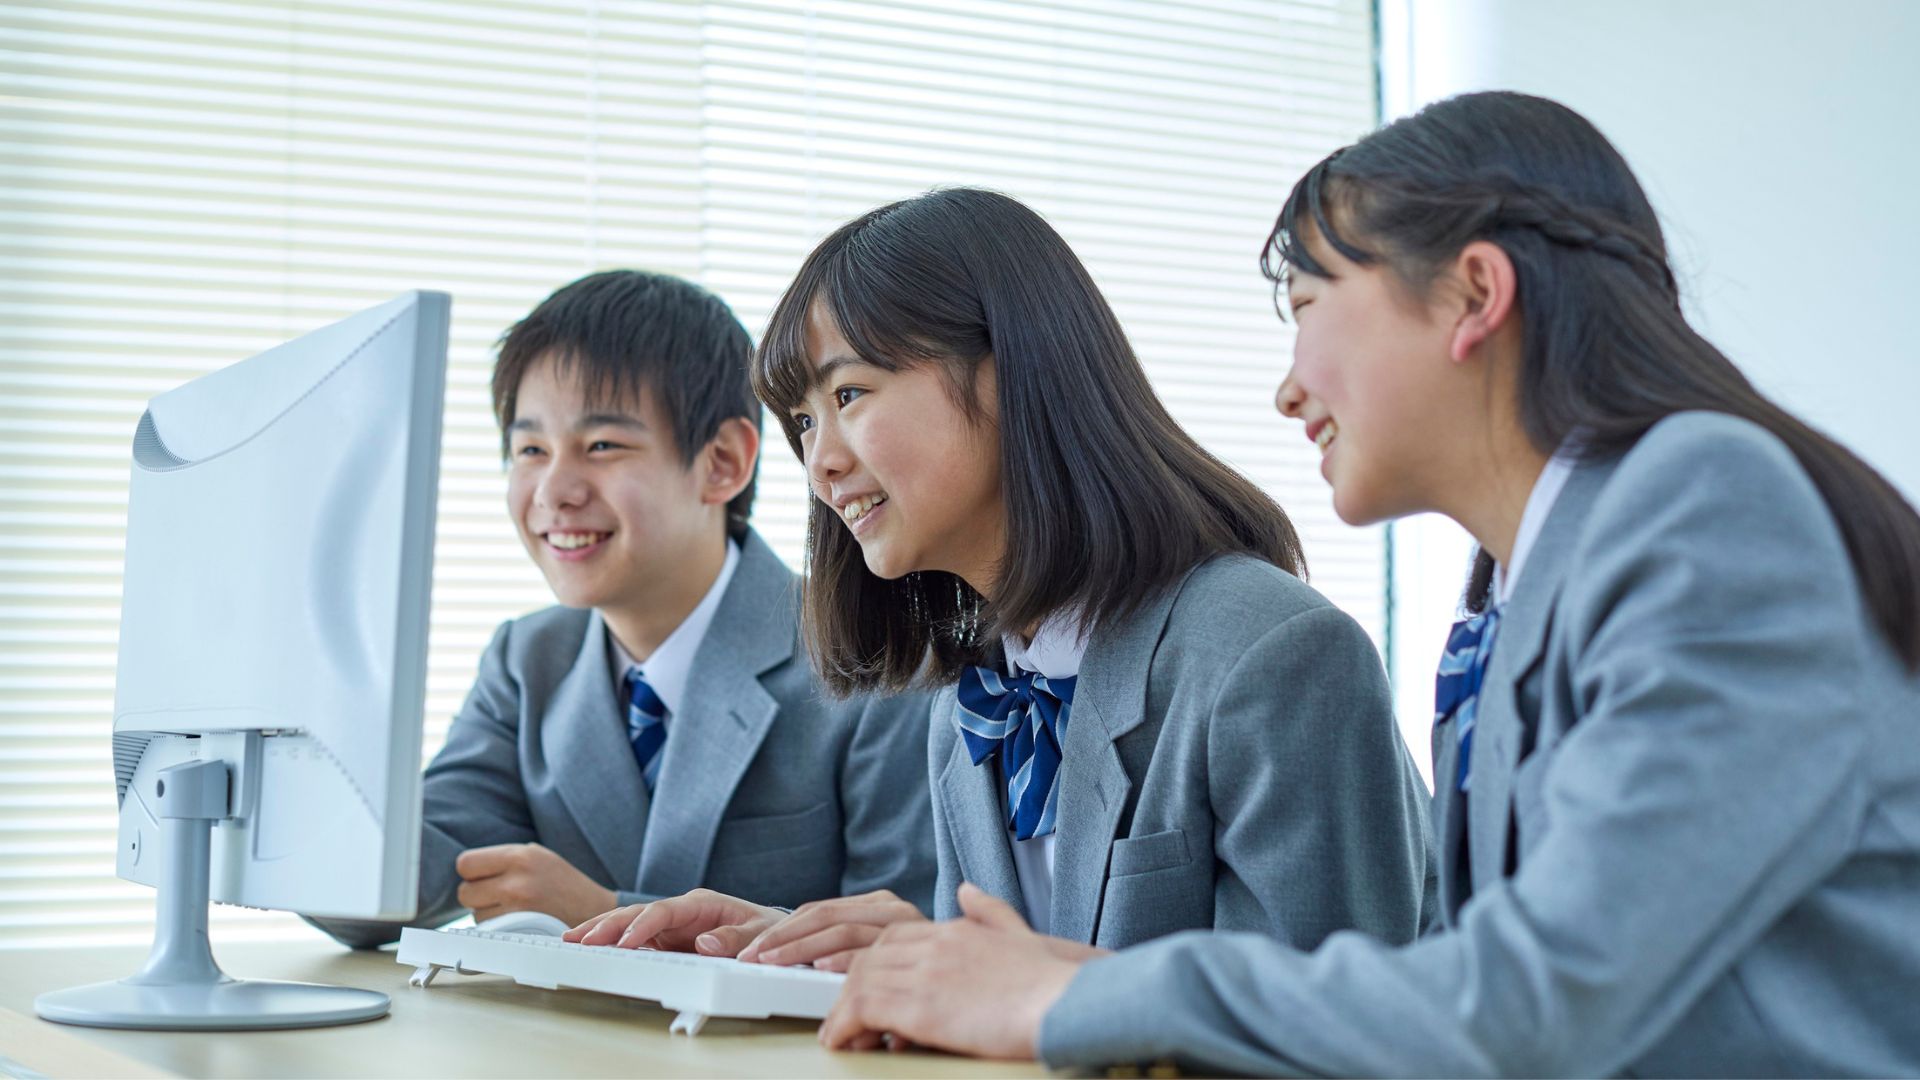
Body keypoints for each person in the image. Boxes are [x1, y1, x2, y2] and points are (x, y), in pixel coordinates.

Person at [815, 93, 1920, 1076]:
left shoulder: (1703, 499)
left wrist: (1071, 994)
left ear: (1473, 294)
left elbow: (1537, 1003)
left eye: (1304, 310)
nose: (1288, 391)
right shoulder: (1521, 583)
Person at [569, 189, 1434, 979]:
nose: (821, 462)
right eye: (802, 420)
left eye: (852, 393)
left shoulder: (1272, 654)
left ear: (1012, 368)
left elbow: (1328, 1036)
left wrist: (1005, 978)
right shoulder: (969, 705)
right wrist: (809, 952)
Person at [313, 270, 935, 949]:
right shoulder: (527, 662)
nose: (554, 491)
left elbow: (903, 942)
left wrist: (607, 909)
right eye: (530, 450)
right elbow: (392, 878)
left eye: (601, 445)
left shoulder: (874, 653)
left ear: (722, 462)